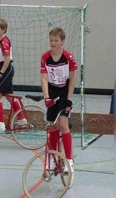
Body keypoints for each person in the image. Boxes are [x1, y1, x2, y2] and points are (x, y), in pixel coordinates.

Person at [40, 27, 77, 180]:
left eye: (56, 40)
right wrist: (47, 97)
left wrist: (69, 99)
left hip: (63, 95)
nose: (53, 43)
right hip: (52, 94)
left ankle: (69, 160)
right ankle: (50, 160)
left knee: (63, 124)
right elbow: (43, 79)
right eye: (51, 40)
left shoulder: (69, 57)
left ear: (62, 41)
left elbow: (72, 79)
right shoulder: (45, 57)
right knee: (52, 127)